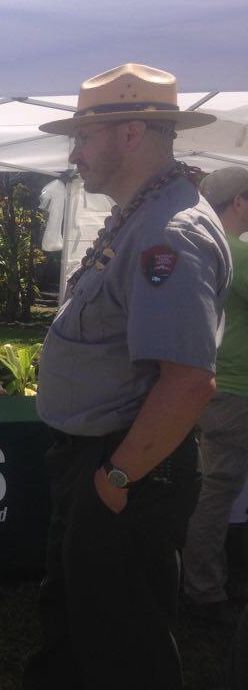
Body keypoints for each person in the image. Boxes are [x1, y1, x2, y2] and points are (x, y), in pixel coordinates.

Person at [22, 64, 231, 690]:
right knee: (73, 625)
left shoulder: (169, 232)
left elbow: (189, 382)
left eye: (85, 137)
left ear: (132, 133)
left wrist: (116, 478)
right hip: (100, 461)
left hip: (126, 466)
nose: (75, 152)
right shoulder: (138, 215)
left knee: (122, 647)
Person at [182, 166, 248, 623]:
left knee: (214, 488)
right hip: (234, 391)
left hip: (215, 385)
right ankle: (202, 590)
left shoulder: (204, 244)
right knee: (218, 491)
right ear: (239, 201)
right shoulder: (235, 253)